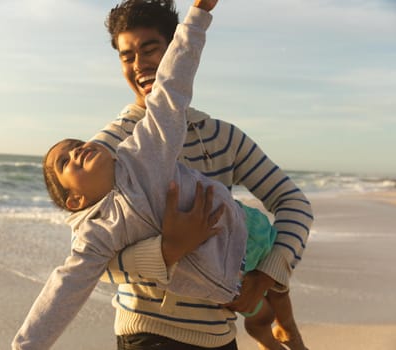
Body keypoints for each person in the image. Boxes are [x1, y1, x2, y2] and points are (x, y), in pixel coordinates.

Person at [12, 2, 257, 349]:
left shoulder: (143, 153)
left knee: (263, 241)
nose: (78, 149)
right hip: (157, 328)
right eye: (65, 161)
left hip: (242, 243)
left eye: (77, 143)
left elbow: (172, 88)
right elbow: (66, 287)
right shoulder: (95, 234)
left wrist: (199, 13)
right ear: (75, 200)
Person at [90, 0, 313, 349]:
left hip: (221, 334)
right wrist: (167, 250)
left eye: (150, 50)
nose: (139, 64)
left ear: (177, 50)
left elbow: (293, 202)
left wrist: (266, 273)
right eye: (127, 56)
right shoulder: (108, 150)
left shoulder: (222, 137)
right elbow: (93, 258)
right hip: (148, 333)